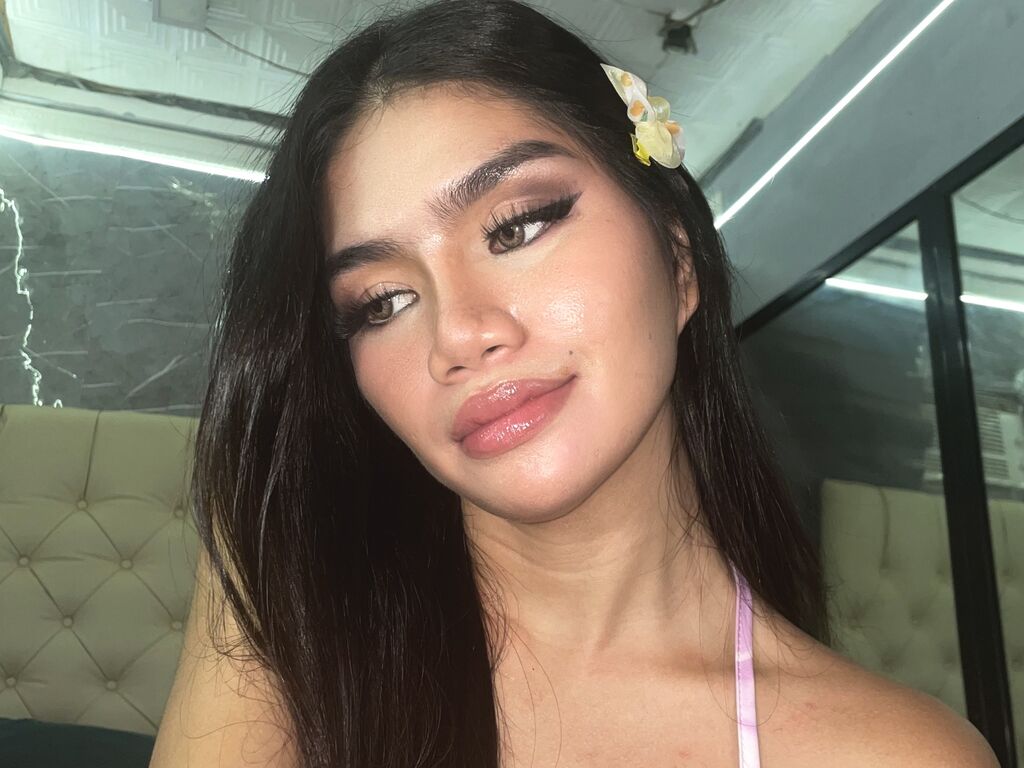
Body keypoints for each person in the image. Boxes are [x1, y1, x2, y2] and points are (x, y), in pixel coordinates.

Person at [150, 1, 999, 766]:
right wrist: (260, 513)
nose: (458, 334)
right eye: (383, 302)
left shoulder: (895, 754)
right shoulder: (295, 669)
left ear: (678, 260)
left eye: (518, 227)